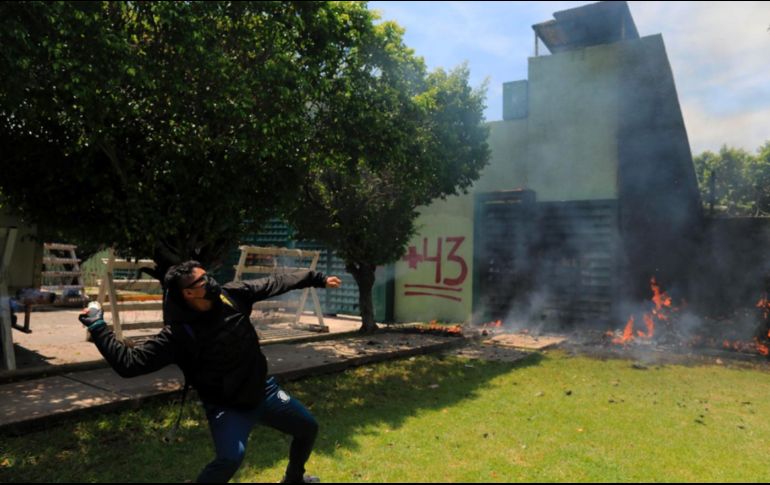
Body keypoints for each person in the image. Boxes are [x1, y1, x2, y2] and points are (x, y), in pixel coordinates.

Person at [79, 260, 342, 483]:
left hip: (264, 391)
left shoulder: (233, 295)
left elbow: (276, 282)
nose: (211, 282)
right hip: (226, 407)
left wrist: (316, 278)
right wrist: (98, 326)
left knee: (308, 428)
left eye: (207, 276)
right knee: (230, 458)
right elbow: (130, 363)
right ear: (188, 294)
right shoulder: (178, 334)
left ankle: (294, 479)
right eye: (202, 281)